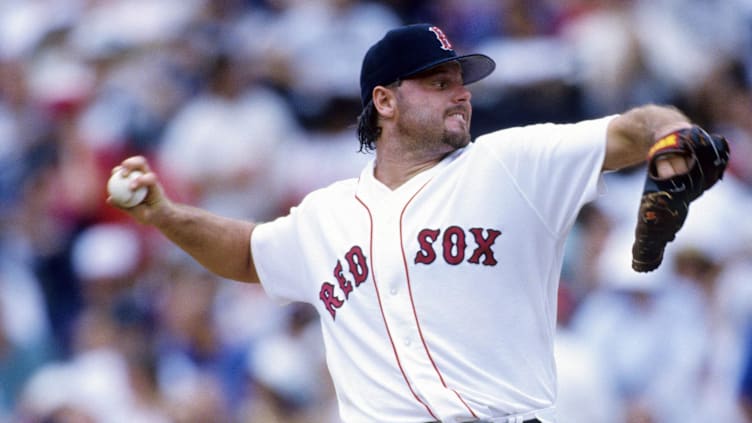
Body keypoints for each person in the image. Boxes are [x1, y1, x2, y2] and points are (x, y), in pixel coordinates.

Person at [109, 23, 704, 423]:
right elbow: (245, 253)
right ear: (386, 102)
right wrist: (163, 214)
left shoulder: (512, 162)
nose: (461, 95)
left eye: (461, 83)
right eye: (438, 82)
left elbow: (638, 126)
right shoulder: (327, 214)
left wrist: (675, 141)